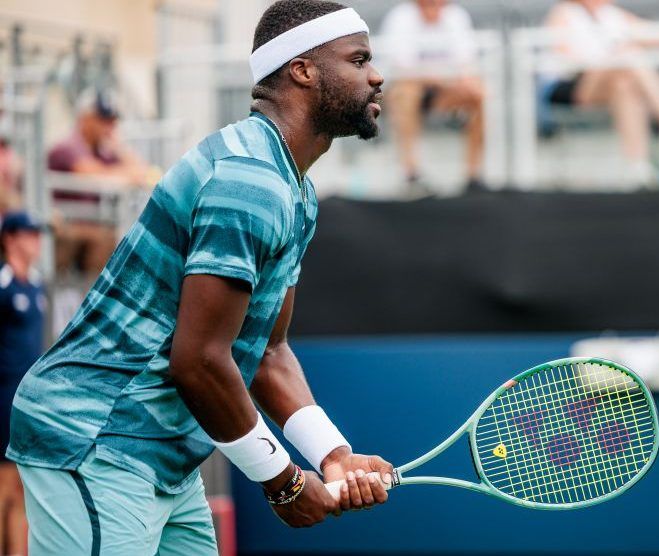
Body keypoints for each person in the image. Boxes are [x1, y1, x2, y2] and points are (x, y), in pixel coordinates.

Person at [8, 1, 391, 554]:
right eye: (358, 60)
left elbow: (268, 350)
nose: (375, 75)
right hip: (97, 438)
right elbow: (200, 360)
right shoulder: (251, 182)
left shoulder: (294, 191)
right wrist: (283, 482)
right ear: (303, 71)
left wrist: (332, 454)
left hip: (160, 452)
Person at [543, 0, 659, 188]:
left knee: (625, 88)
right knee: (629, 55)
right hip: (570, 84)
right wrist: (608, 60)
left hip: (609, 84)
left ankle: (637, 167)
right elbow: (565, 57)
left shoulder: (612, 15)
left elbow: (654, 34)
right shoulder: (564, 13)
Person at [380, 0, 486, 193]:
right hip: (408, 89)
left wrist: (463, 83)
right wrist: (447, 78)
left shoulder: (456, 16)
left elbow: (466, 63)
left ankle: (473, 174)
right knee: (406, 94)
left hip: (442, 90)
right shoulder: (401, 17)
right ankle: (411, 173)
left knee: (478, 95)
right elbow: (404, 69)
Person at [47, 89, 151, 275]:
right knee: (104, 239)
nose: (110, 127)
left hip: (89, 227)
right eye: (103, 120)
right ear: (85, 119)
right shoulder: (67, 147)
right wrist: (126, 175)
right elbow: (93, 174)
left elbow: (142, 172)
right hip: (64, 226)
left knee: (119, 239)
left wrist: (119, 148)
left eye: (112, 121)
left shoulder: (103, 151)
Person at [0, 212, 45, 556]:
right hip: (2, 398)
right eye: (30, 234)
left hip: (26, 401)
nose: (37, 241)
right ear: (10, 238)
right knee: (3, 485)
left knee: (21, 488)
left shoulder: (38, 285)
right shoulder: (2, 286)